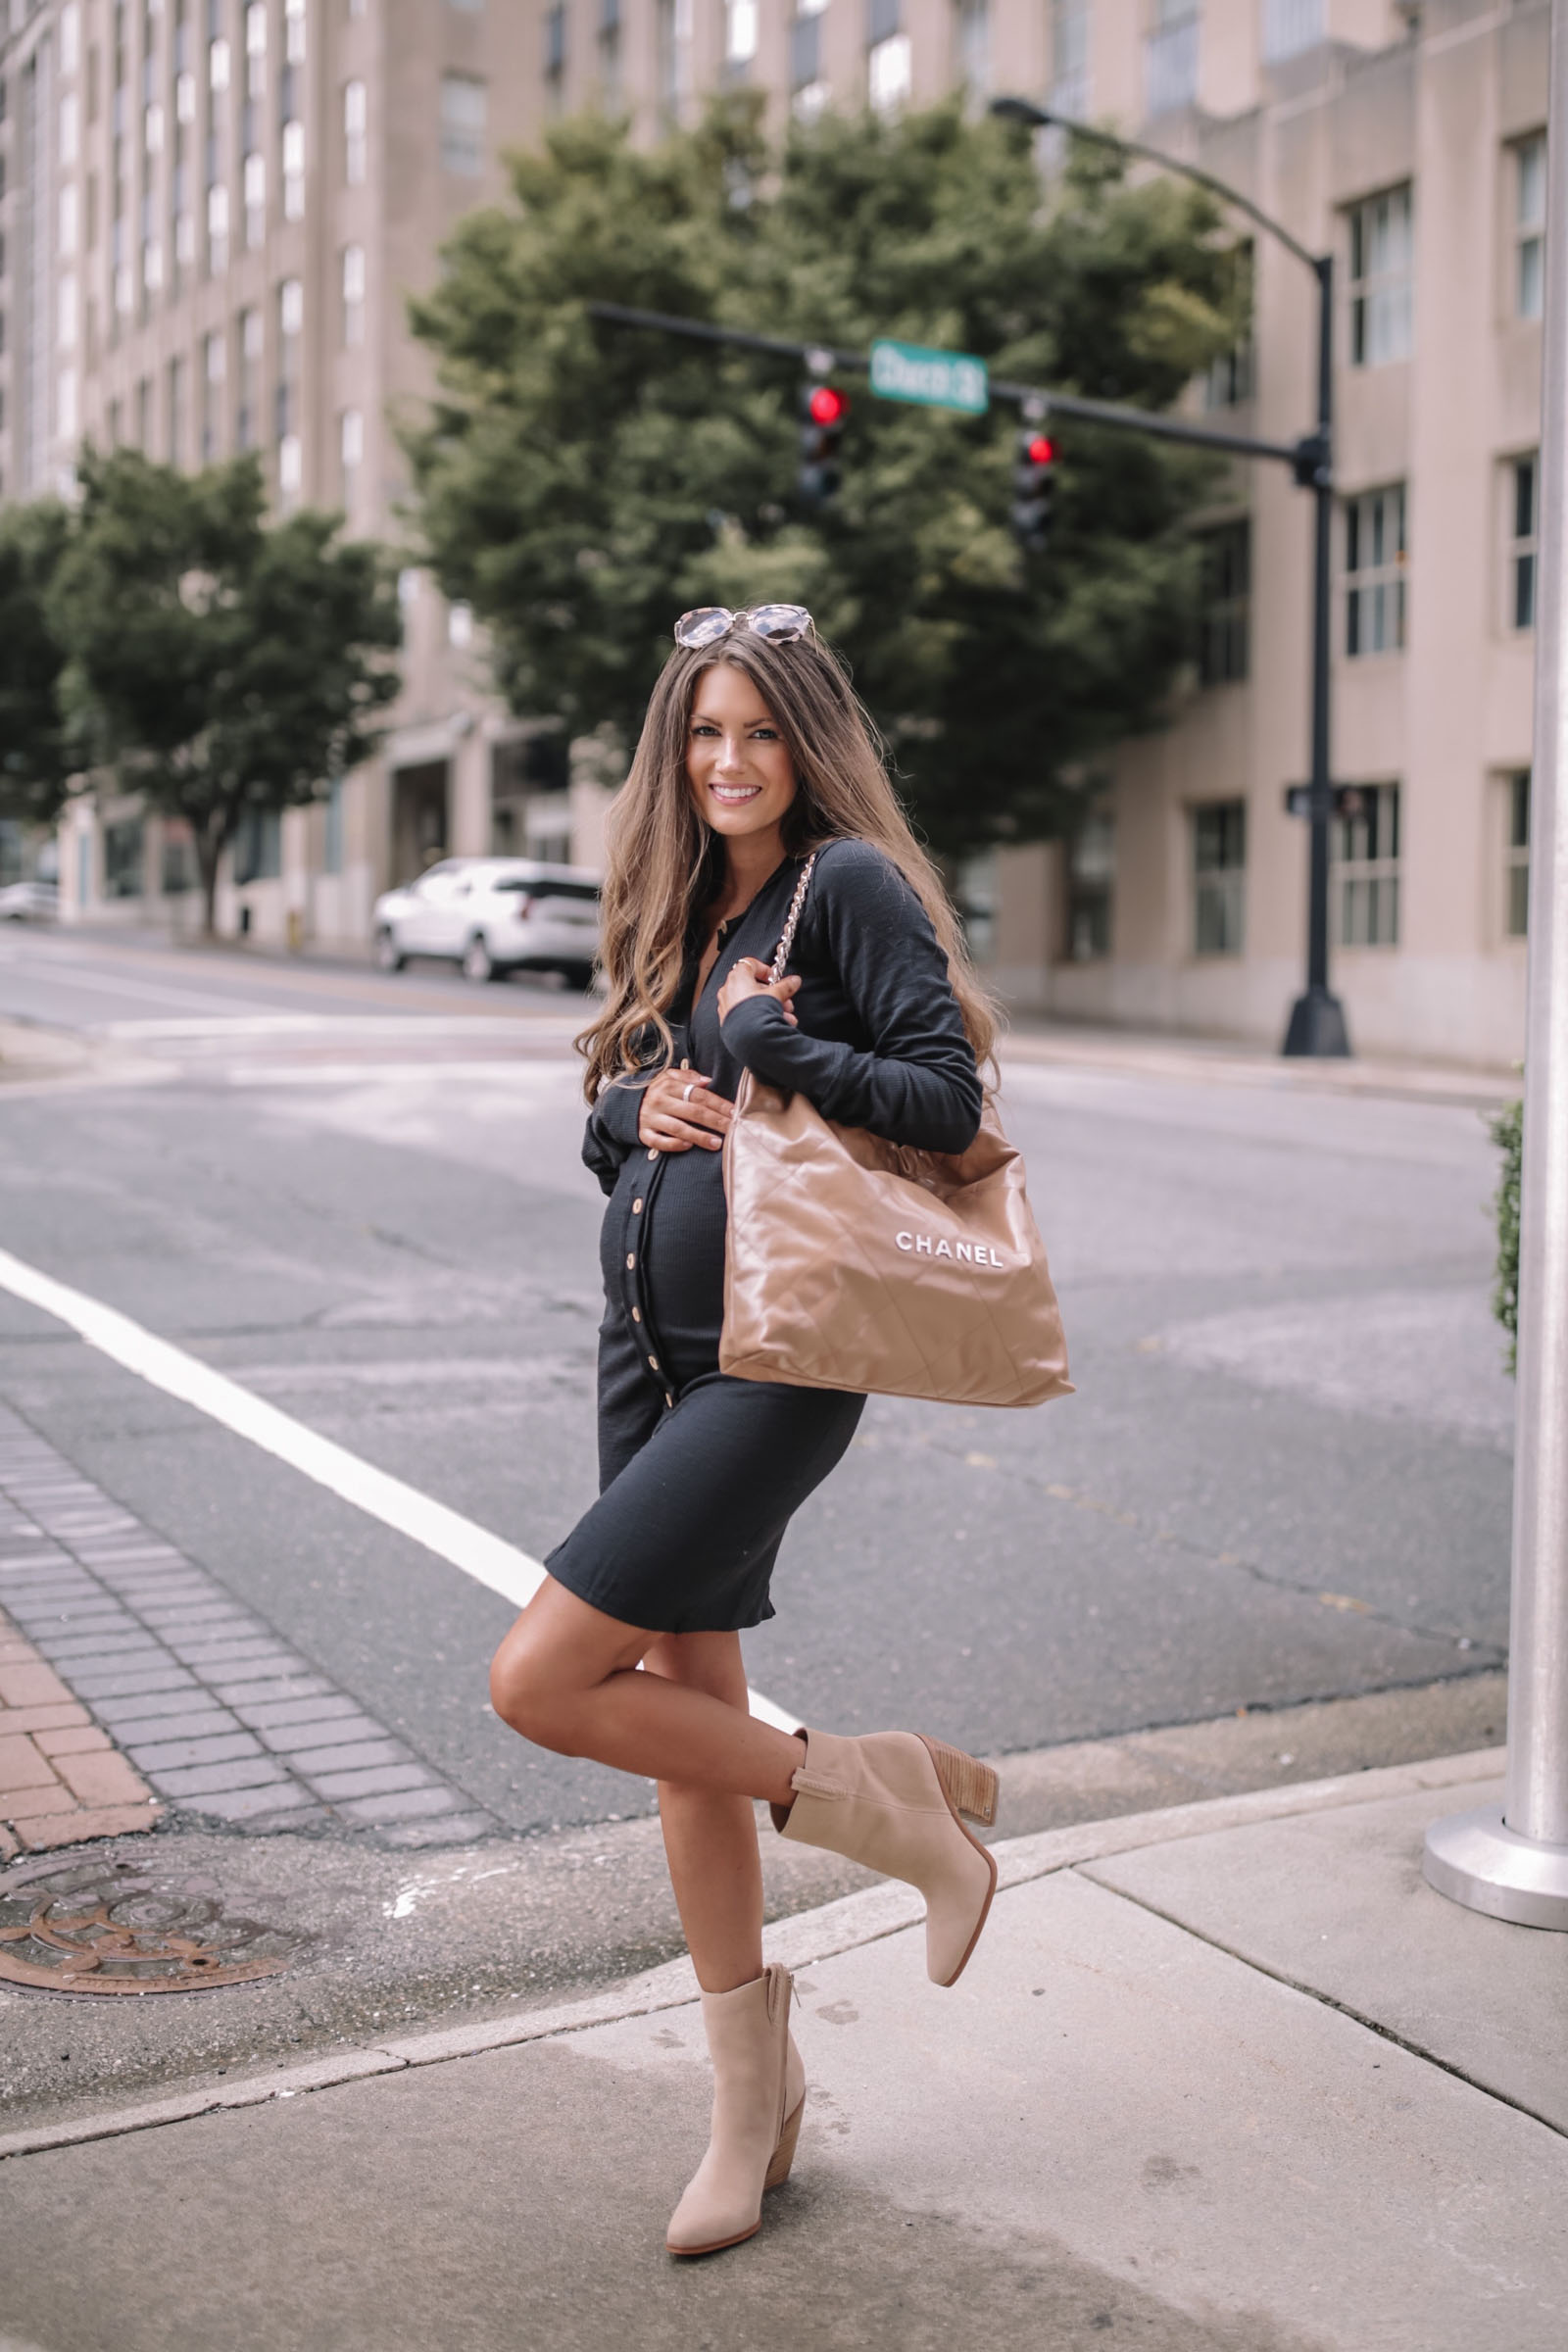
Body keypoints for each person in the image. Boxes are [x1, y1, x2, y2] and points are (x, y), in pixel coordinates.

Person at [489, 604, 1003, 2259]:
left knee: (548, 1682)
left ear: (810, 740)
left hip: (769, 1364)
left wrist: (785, 1046)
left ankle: (875, 1800)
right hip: (644, 1357)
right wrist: (621, 1109)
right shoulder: (677, 898)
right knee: (673, 1729)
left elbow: (949, 1103)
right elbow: (617, 1115)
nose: (729, 763)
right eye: (704, 735)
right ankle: (750, 2109)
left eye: (760, 733)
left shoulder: (840, 886)